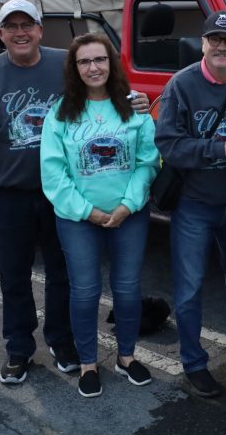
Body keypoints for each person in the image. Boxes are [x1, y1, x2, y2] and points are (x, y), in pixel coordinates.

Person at [0, 0, 81, 385]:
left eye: (28, 25)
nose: (21, 32)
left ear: (41, 30)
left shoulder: (67, 64)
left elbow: (103, 100)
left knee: (64, 272)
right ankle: (19, 348)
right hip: (8, 195)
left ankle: (61, 340)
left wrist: (136, 103)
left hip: (62, 193)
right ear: (1, 33)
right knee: (13, 275)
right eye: (12, 26)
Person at [154, 10, 226, 398]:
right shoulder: (180, 85)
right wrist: (221, 148)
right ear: (203, 43)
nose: (222, 46)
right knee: (189, 288)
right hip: (194, 205)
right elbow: (168, 144)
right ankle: (194, 363)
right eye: (214, 39)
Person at [40, 33, 160, 399]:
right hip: (78, 220)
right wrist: (87, 211)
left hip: (130, 215)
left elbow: (147, 162)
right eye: (84, 62)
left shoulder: (133, 109)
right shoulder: (61, 113)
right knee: (85, 291)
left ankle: (126, 357)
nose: (93, 67)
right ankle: (89, 363)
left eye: (100, 60)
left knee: (127, 289)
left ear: (112, 63)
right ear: (74, 69)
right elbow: (53, 172)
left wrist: (128, 205)